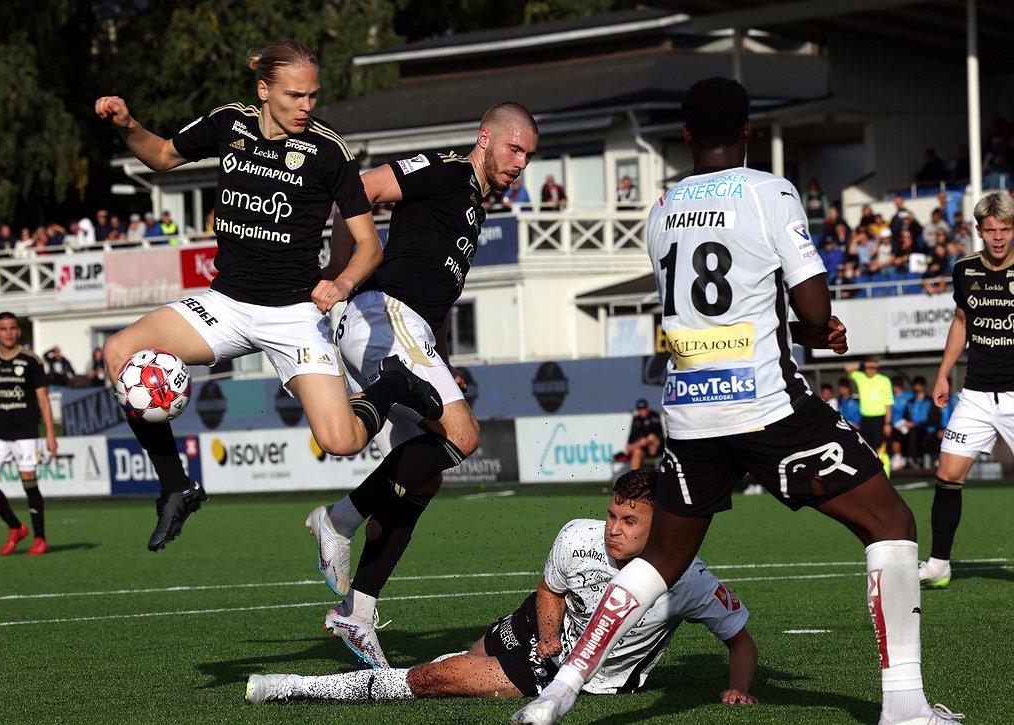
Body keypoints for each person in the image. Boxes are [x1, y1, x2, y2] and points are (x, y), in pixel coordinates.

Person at [512, 76, 958, 725]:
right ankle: (904, 706)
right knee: (890, 523)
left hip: (691, 410)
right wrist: (817, 329)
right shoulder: (768, 191)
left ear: (685, 136)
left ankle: (559, 690)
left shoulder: (661, 209)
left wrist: (802, 325)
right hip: (765, 404)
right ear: (748, 131)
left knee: (663, 556)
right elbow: (811, 304)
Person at [94, 39, 443, 552]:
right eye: (296, 95)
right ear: (264, 91)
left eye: (313, 96)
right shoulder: (229, 123)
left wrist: (342, 283)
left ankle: (393, 385)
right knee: (117, 351)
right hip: (226, 306)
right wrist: (127, 124)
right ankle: (176, 485)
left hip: (294, 315)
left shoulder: (329, 152)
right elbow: (162, 155)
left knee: (342, 441)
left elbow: (370, 246)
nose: (307, 106)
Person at [305, 103, 539, 667]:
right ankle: (336, 519)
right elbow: (357, 190)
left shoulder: (473, 202)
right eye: (515, 149)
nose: (522, 164)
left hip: (410, 331)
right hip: (383, 315)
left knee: (425, 475)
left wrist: (439, 356)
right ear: (486, 139)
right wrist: (343, 273)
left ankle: (357, 611)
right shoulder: (450, 168)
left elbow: (429, 280)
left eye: (529, 156)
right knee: (464, 434)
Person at [252, 471, 757, 706]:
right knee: (469, 657)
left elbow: (740, 640)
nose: (613, 528)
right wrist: (548, 632)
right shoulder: (577, 536)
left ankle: (296, 688)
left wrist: (738, 687)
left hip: (589, 677)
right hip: (542, 630)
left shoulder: (689, 579)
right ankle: (453, 665)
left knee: (438, 680)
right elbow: (549, 588)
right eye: (611, 514)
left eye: (629, 521)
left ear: (663, 525)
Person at [920, 191, 1014, 589]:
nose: (997, 238)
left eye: (1005, 230)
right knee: (947, 474)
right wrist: (944, 374)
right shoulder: (964, 269)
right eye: (990, 230)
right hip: (976, 394)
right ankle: (939, 564)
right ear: (979, 230)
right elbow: (961, 320)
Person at [0, 312, 58, 556]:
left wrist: (50, 434)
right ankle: (16, 527)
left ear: (18, 331)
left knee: (28, 481)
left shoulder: (31, 361)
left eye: (12, 328)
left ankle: (40, 538)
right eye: (3, 329)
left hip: (26, 431)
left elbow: (43, 399)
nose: (8, 332)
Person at [847, 357, 894, 453]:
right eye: (868, 367)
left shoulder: (884, 380)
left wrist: (887, 423)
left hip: (879, 418)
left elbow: (888, 403)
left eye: (873, 367)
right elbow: (848, 368)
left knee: (879, 446)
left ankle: (881, 466)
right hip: (865, 418)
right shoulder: (861, 377)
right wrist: (862, 364)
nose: (870, 370)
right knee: (866, 445)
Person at [621, 398, 663, 470]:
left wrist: (636, 443)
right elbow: (632, 433)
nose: (642, 411)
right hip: (644, 448)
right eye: (640, 409)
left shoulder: (654, 416)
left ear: (647, 408)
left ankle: (632, 448)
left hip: (656, 446)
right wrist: (629, 443)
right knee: (637, 452)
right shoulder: (636, 419)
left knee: (650, 437)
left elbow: (652, 430)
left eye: (643, 409)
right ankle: (635, 478)